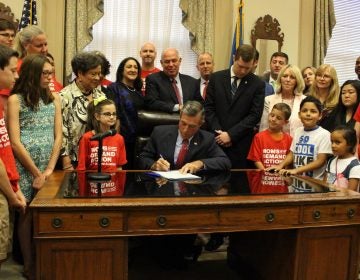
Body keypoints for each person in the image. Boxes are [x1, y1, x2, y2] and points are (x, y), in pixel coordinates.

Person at [7, 54, 62, 279]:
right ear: (33, 73)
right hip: (25, 165)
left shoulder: (55, 98)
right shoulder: (15, 100)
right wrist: (36, 173)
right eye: (45, 73)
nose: (50, 77)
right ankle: (28, 263)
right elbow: (15, 141)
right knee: (26, 214)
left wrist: (48, 170)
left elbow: (58, 136)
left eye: (51, 72)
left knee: (48, 215)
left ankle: (46, 261)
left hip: (48, 165)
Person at [205, 44, 265, 168]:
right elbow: (209, 109)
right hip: (215, 142)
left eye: (247, 68)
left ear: (254, 63)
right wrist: (220, 134)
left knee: (240, 184)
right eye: (240, 66)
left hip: (241, 144)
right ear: (234, 58)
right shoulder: (216, 78)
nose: (243, 71)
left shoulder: (258, 84)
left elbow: (254, 115)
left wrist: (231, 135)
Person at [138, 100, 231, 172]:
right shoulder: (159, 132)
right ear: (180, 118)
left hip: (193, 189)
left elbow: (225, 162)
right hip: (163, 187)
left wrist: (200, 163)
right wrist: (154, 165)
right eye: (183, 123)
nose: (185, 129)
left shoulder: (207, 139)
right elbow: (143, 158)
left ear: (200, 124)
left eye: (192, 126)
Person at [0, 45, 26, 271]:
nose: (17, 76)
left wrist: (14, 186)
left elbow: (5, 151)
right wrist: (12, 195)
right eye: (12, 70)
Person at [268, 96, 332, 181]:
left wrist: (296, 170)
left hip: (314, 185)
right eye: (304, 111)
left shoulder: (325, 134)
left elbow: (320, 161)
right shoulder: (298, 131)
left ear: (320, 115)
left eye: (313, 111)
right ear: (299, 114)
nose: (308, 114)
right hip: (297, 184)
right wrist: (280, 165)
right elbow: (292, 153)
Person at [60, 51, 104, 170]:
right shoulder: (64, 96)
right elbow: (62, 132)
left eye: (99, 73)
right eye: (93, 74)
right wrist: (66, 163)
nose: (97, 78)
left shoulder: (100, 95)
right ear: (79, 74)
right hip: (74, 160)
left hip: (97, 157)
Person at [107, 57, 144, 169]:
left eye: (136, 67)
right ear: (121, 70)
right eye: (129, 67)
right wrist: (115, 142)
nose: (133, 69)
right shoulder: (114, 88)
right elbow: (114, 116)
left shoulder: (138, 93)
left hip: (137, 142)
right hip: (121, 140)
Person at [144, 48, 202, 113]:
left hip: (190, 122)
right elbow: (151, 103)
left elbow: (199, 104)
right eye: (167, 61)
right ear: (161, 63)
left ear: (180, 61)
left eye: (174, 61)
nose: (171, 65)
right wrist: (177, 107)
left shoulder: (193, 82)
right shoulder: (153, 79)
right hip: (166, 122)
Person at [77, 97, 127, 171]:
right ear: (97, 116)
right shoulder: (87, 137)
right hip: (92, 180)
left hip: (112, 180)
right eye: (107, 114)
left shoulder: (119, 138)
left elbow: (119, 167)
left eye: (114, 114)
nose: (112, 117)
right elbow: (81, 168)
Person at [259, 64, 306, 137]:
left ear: (297, 81)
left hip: (297, 143)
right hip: (273, 144)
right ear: (280, 79)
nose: (288, 80)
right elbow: (264, 127)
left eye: (292, 77)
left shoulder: (304, 100)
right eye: (285, 76)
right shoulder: (269, 100)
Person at [248, 103, 293, 170]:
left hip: (281, 178)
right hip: (263, 176)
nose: (273, 119)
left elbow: (289, 161)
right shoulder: (259, 137)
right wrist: (265, 171)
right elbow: (256, 159)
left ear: (285, 122)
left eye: (278, 118)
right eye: (272, 115)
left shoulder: (289, 139)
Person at [324, 126, 360, 191]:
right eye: (332, 142)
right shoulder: (331, 161)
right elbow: (327, 185)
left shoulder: (354, 166)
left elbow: (351, 193)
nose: (333, 145)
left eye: (337, 142)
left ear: (350, 144)